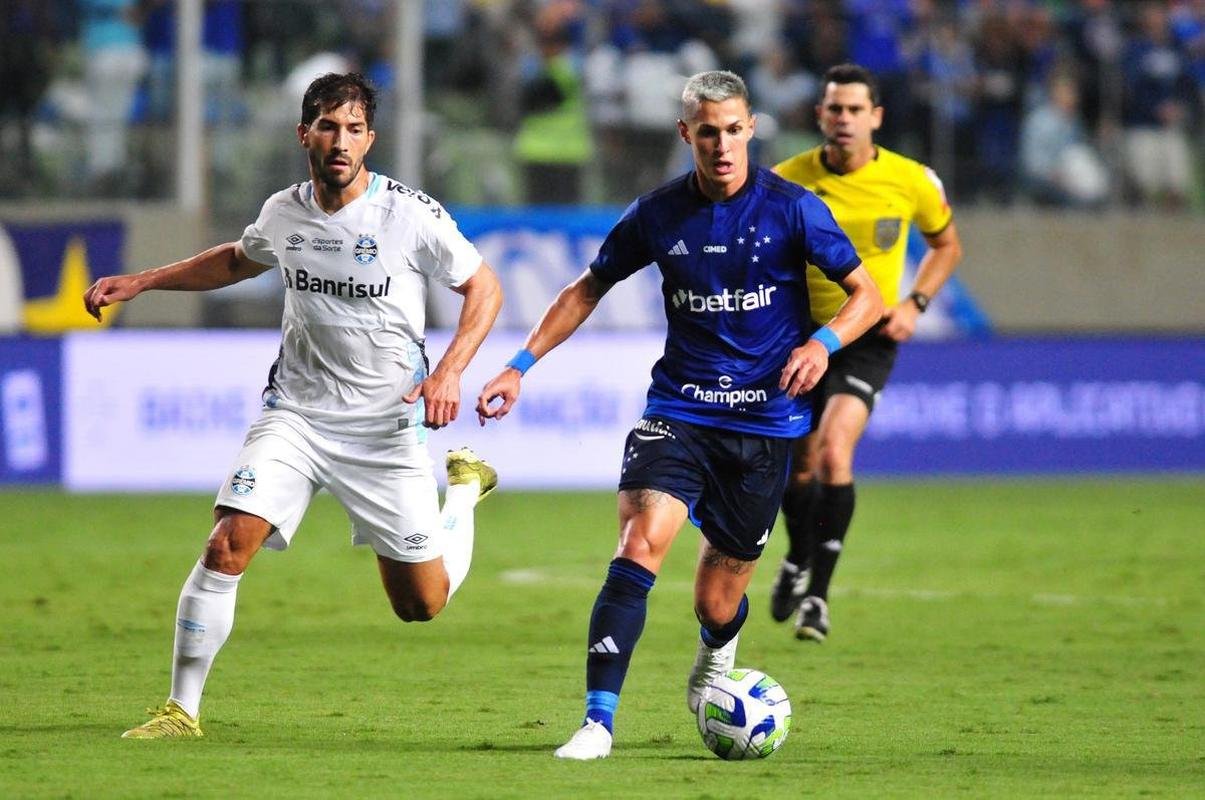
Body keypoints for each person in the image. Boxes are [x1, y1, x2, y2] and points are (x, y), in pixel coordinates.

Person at [476, 70, 883, 760]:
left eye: (732, 130)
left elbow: (864, 295)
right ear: (684, 134)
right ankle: (597, 722)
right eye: (706, 132)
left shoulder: (792, 208)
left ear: (750, 128)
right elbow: (586, 288)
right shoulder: (659, 212)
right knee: (639, 543)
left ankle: (715, 659)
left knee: (716, 601)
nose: (720, 145)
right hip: (679, 411)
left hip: (764, 426)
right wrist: (519, 365)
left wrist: (822, 343)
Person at [82, 73, 504, 738]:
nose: (341, 142)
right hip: (296, 417)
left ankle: (462, 494)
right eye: (328, 127)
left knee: (421, 605)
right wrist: (144, 281)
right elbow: (237, 260)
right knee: (225, 546)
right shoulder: (285, 211)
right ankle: (180, 710)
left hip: (383, 430)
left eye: (355, 129)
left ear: (371, 139)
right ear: (304, 132)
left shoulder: (408, 215)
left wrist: (450, 370)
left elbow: (482, 287)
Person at [767, 63, 963, 642]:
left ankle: (818, 598)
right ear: (820, 115)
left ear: (875, 116)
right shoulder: (786, 180)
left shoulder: (912, 180)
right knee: (797, 466)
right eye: (835, 108)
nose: (844, 118)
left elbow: (946, 244)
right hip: (800, 339)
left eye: (856, 109)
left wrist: (915, 303)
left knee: (833, 453)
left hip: (867, 339)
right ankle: (798, 556)